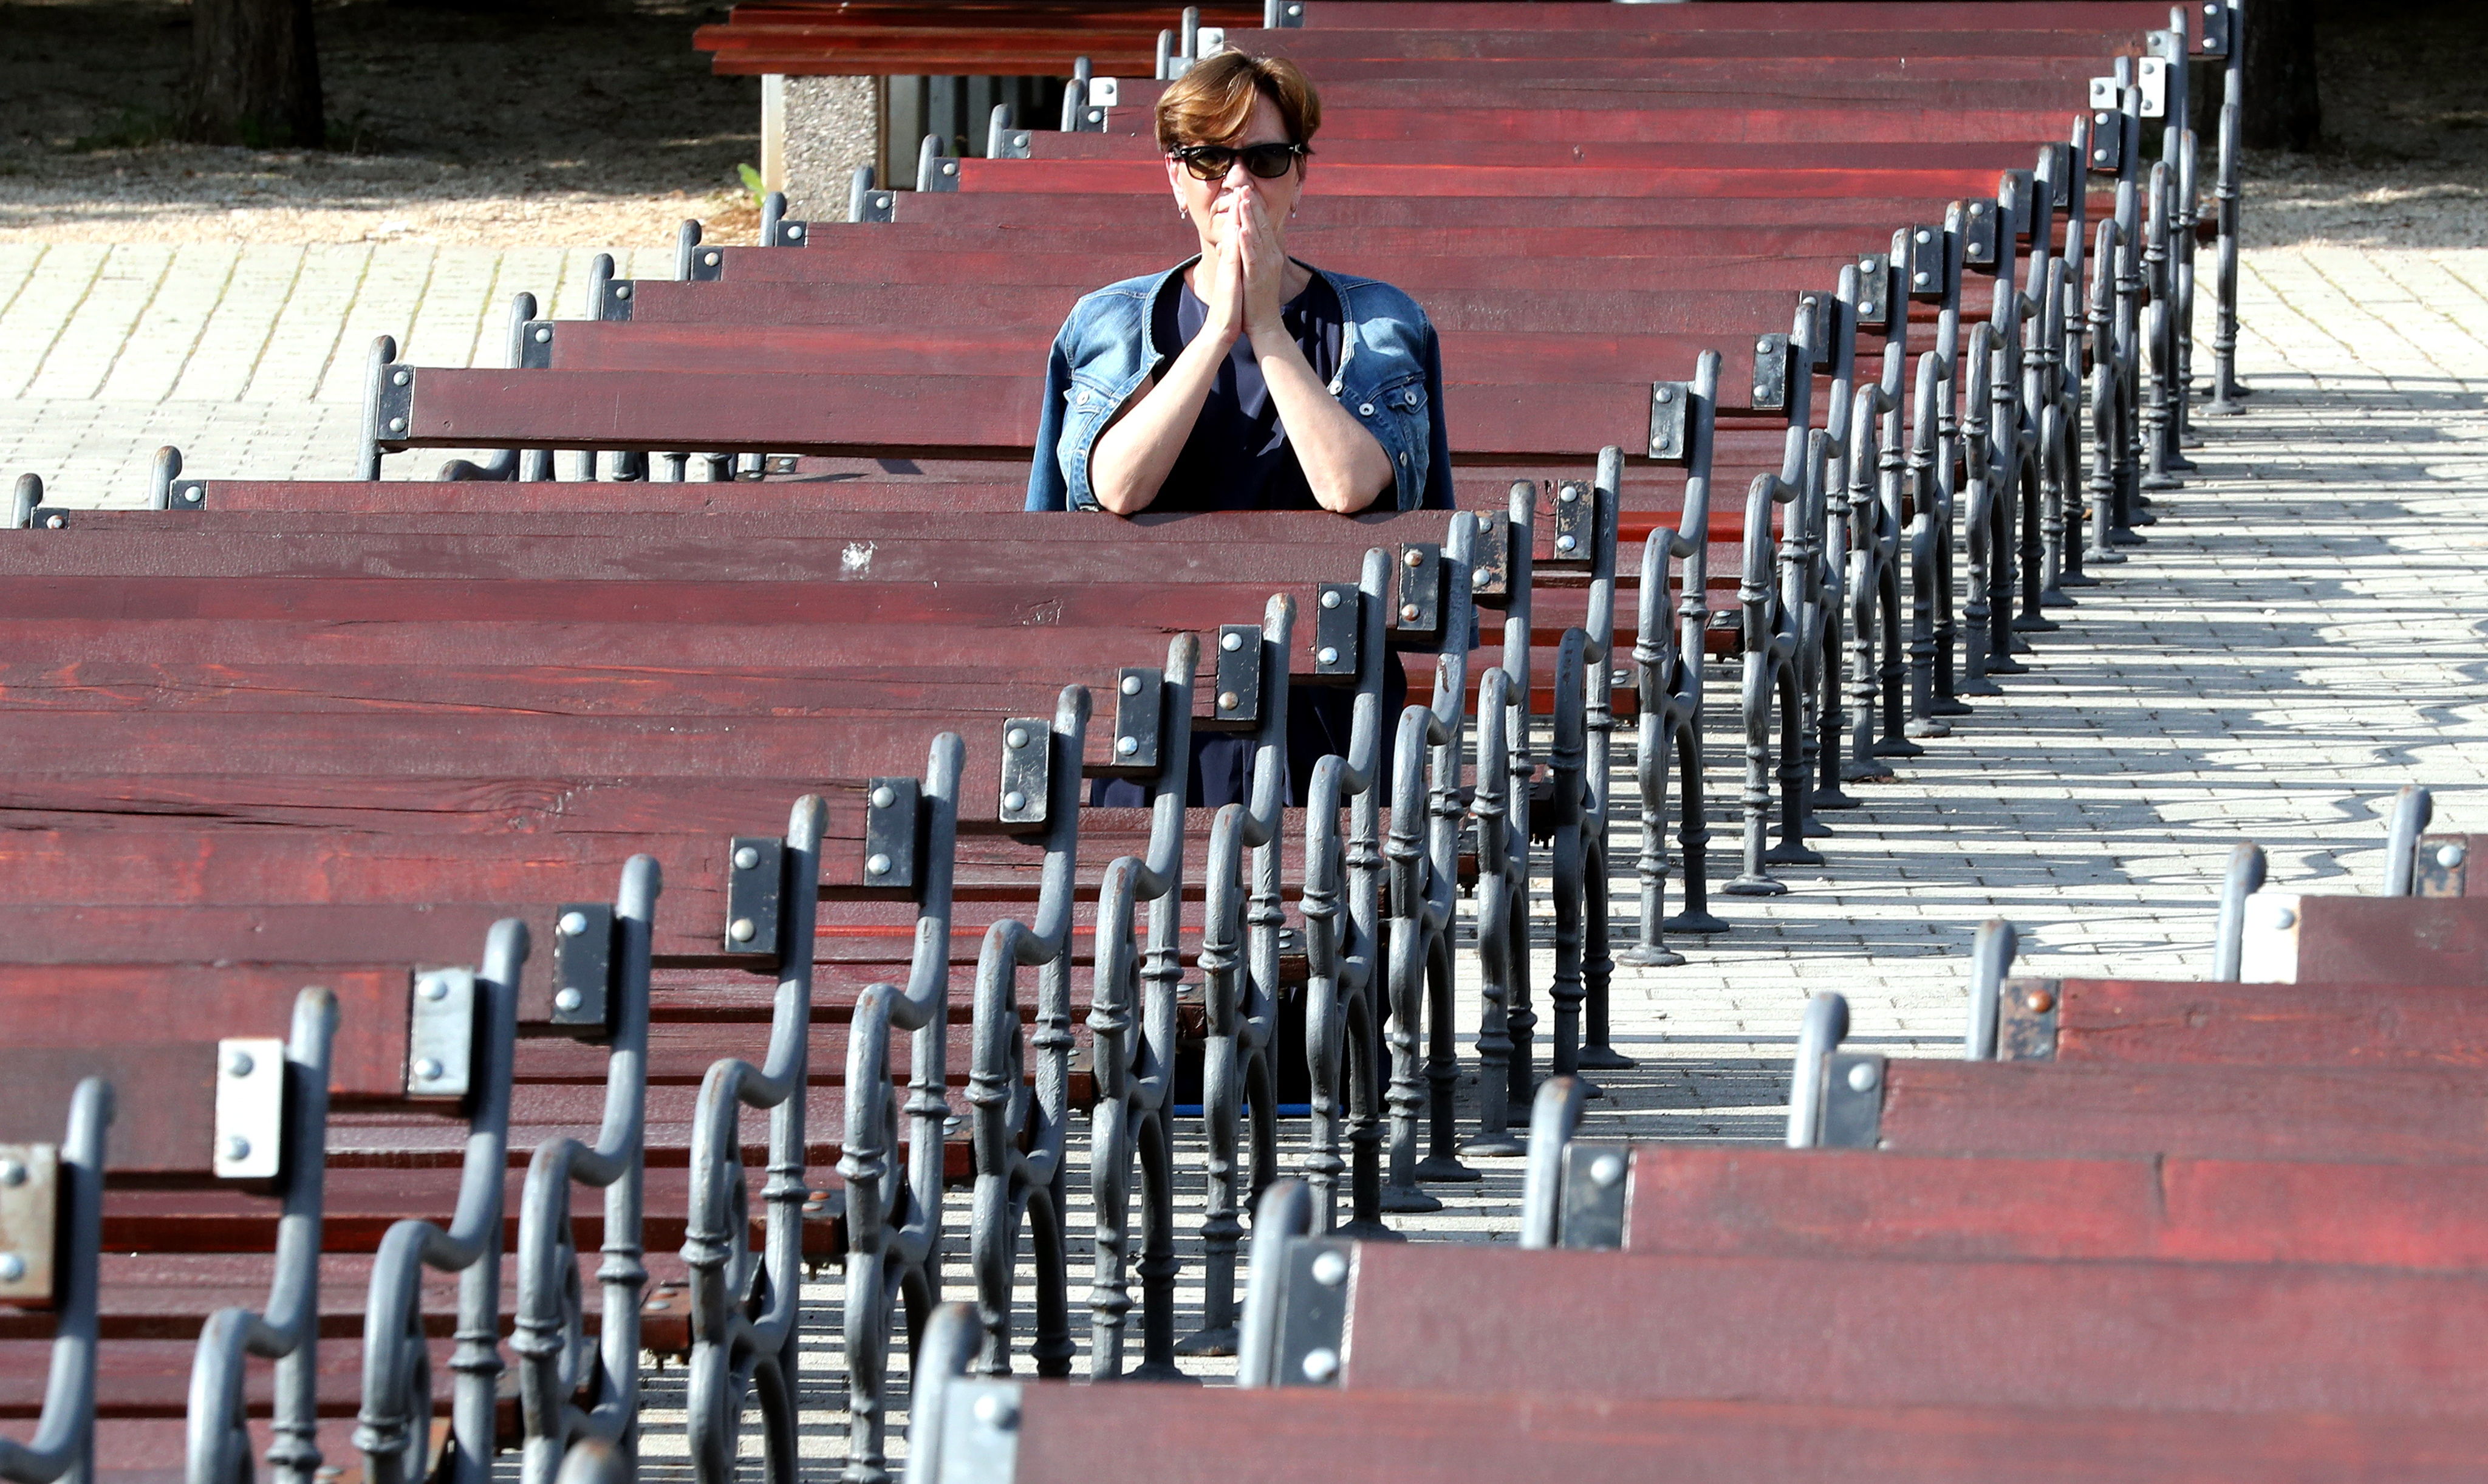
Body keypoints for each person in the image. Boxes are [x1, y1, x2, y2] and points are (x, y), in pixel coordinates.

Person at [1028, 51, 1455, 807]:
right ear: (1174, 177)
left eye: (1262, 158)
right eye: (1208, 159)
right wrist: (1220, 329)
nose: (1235, 183)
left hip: (1329, 694)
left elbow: (1349, 484)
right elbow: (1116, 488)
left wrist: (1266, 326)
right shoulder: (1108, 324)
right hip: (1151, 690)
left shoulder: (1381, 322)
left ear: (1298, 175)